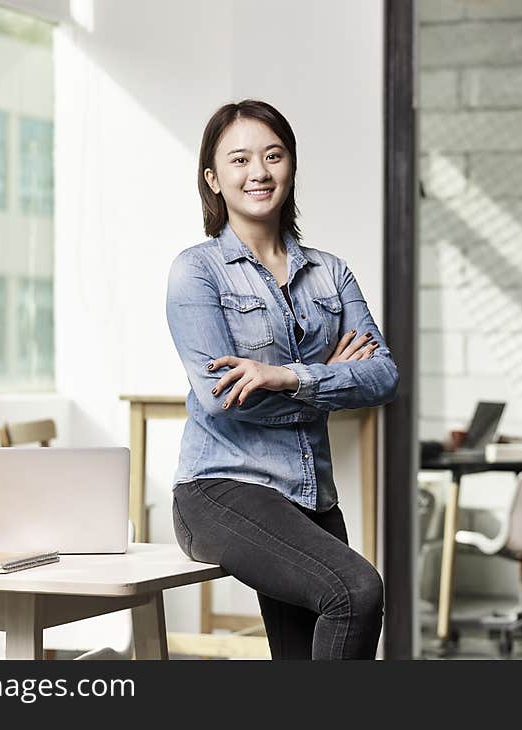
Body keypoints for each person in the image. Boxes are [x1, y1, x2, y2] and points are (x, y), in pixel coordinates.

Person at [165, 100, 400, 659]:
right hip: (221, 489)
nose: (259, 172)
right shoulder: (196, 271)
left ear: (290, 166)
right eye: (240, 159)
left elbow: (385, 376)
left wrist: (284, 378)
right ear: (213, 179)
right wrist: (327, 382)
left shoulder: (330, 272)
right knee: (356, 591)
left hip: (311, 495)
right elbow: (222, 402)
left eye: (273, 155)